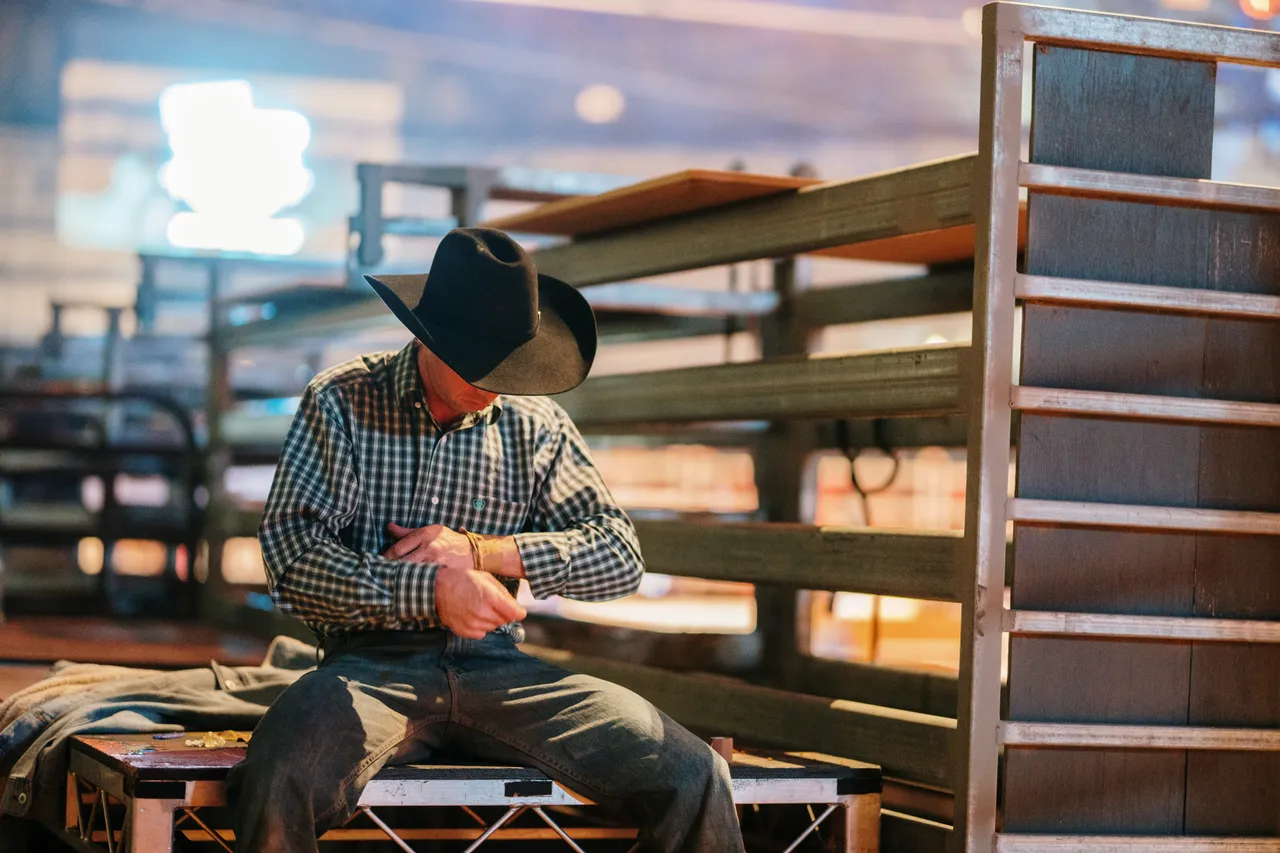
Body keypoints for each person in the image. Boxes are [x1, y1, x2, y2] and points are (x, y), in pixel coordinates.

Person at [227, 227, 745, 852]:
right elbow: (293, 558)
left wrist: (481, 550)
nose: (498, 382)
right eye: (481, 363)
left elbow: (621, 557)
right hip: (368, 667)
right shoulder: (342, 402)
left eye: (512, 365)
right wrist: (430, 591)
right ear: (428, 336)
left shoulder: (535, 424)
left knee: (696, 775)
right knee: (280, 770)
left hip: (503, 672)